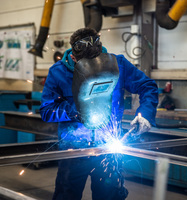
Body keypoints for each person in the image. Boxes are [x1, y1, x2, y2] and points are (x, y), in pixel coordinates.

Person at [40, 27, 158, 200]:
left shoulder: (118, 64)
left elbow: (147, 86)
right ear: (74, 57)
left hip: (108, 149)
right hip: (73, 151)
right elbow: (46, 111)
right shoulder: (58, 72)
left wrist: (145, 113)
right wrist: (73, 111)